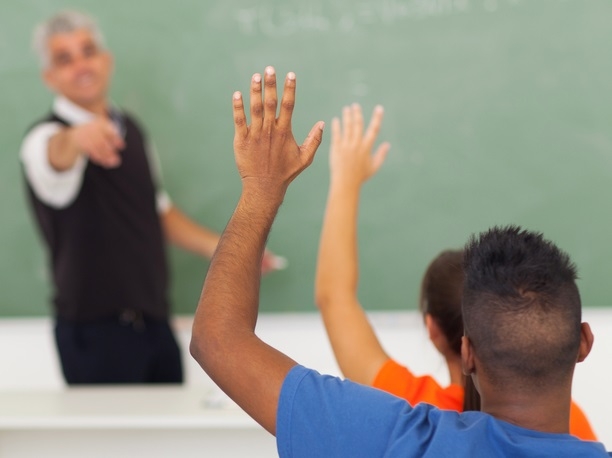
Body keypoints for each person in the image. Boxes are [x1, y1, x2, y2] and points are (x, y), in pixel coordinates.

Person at [190, 67, 610, 456]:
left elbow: (217, 340)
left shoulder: (398, 437)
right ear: (583, 343)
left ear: (467, 353)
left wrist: (262, 188)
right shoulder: (586, 434)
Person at [20, 11, 280, 385]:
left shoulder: (134, 132)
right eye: (65, 58)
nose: (81, 65)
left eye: (88, 51)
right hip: (94, 334)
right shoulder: (42, 139)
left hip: (155, 325)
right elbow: (53, 156)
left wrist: (223, 248)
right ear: (50, 77)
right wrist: (76, 139)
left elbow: (157, 211)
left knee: (168, 441)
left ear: (105, 60)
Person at [313, 107, 598, 440]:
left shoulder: (416, 416)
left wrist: (347, 180)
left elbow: (334, 297)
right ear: (581, 342)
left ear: (456, 344)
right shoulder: (572, 427)